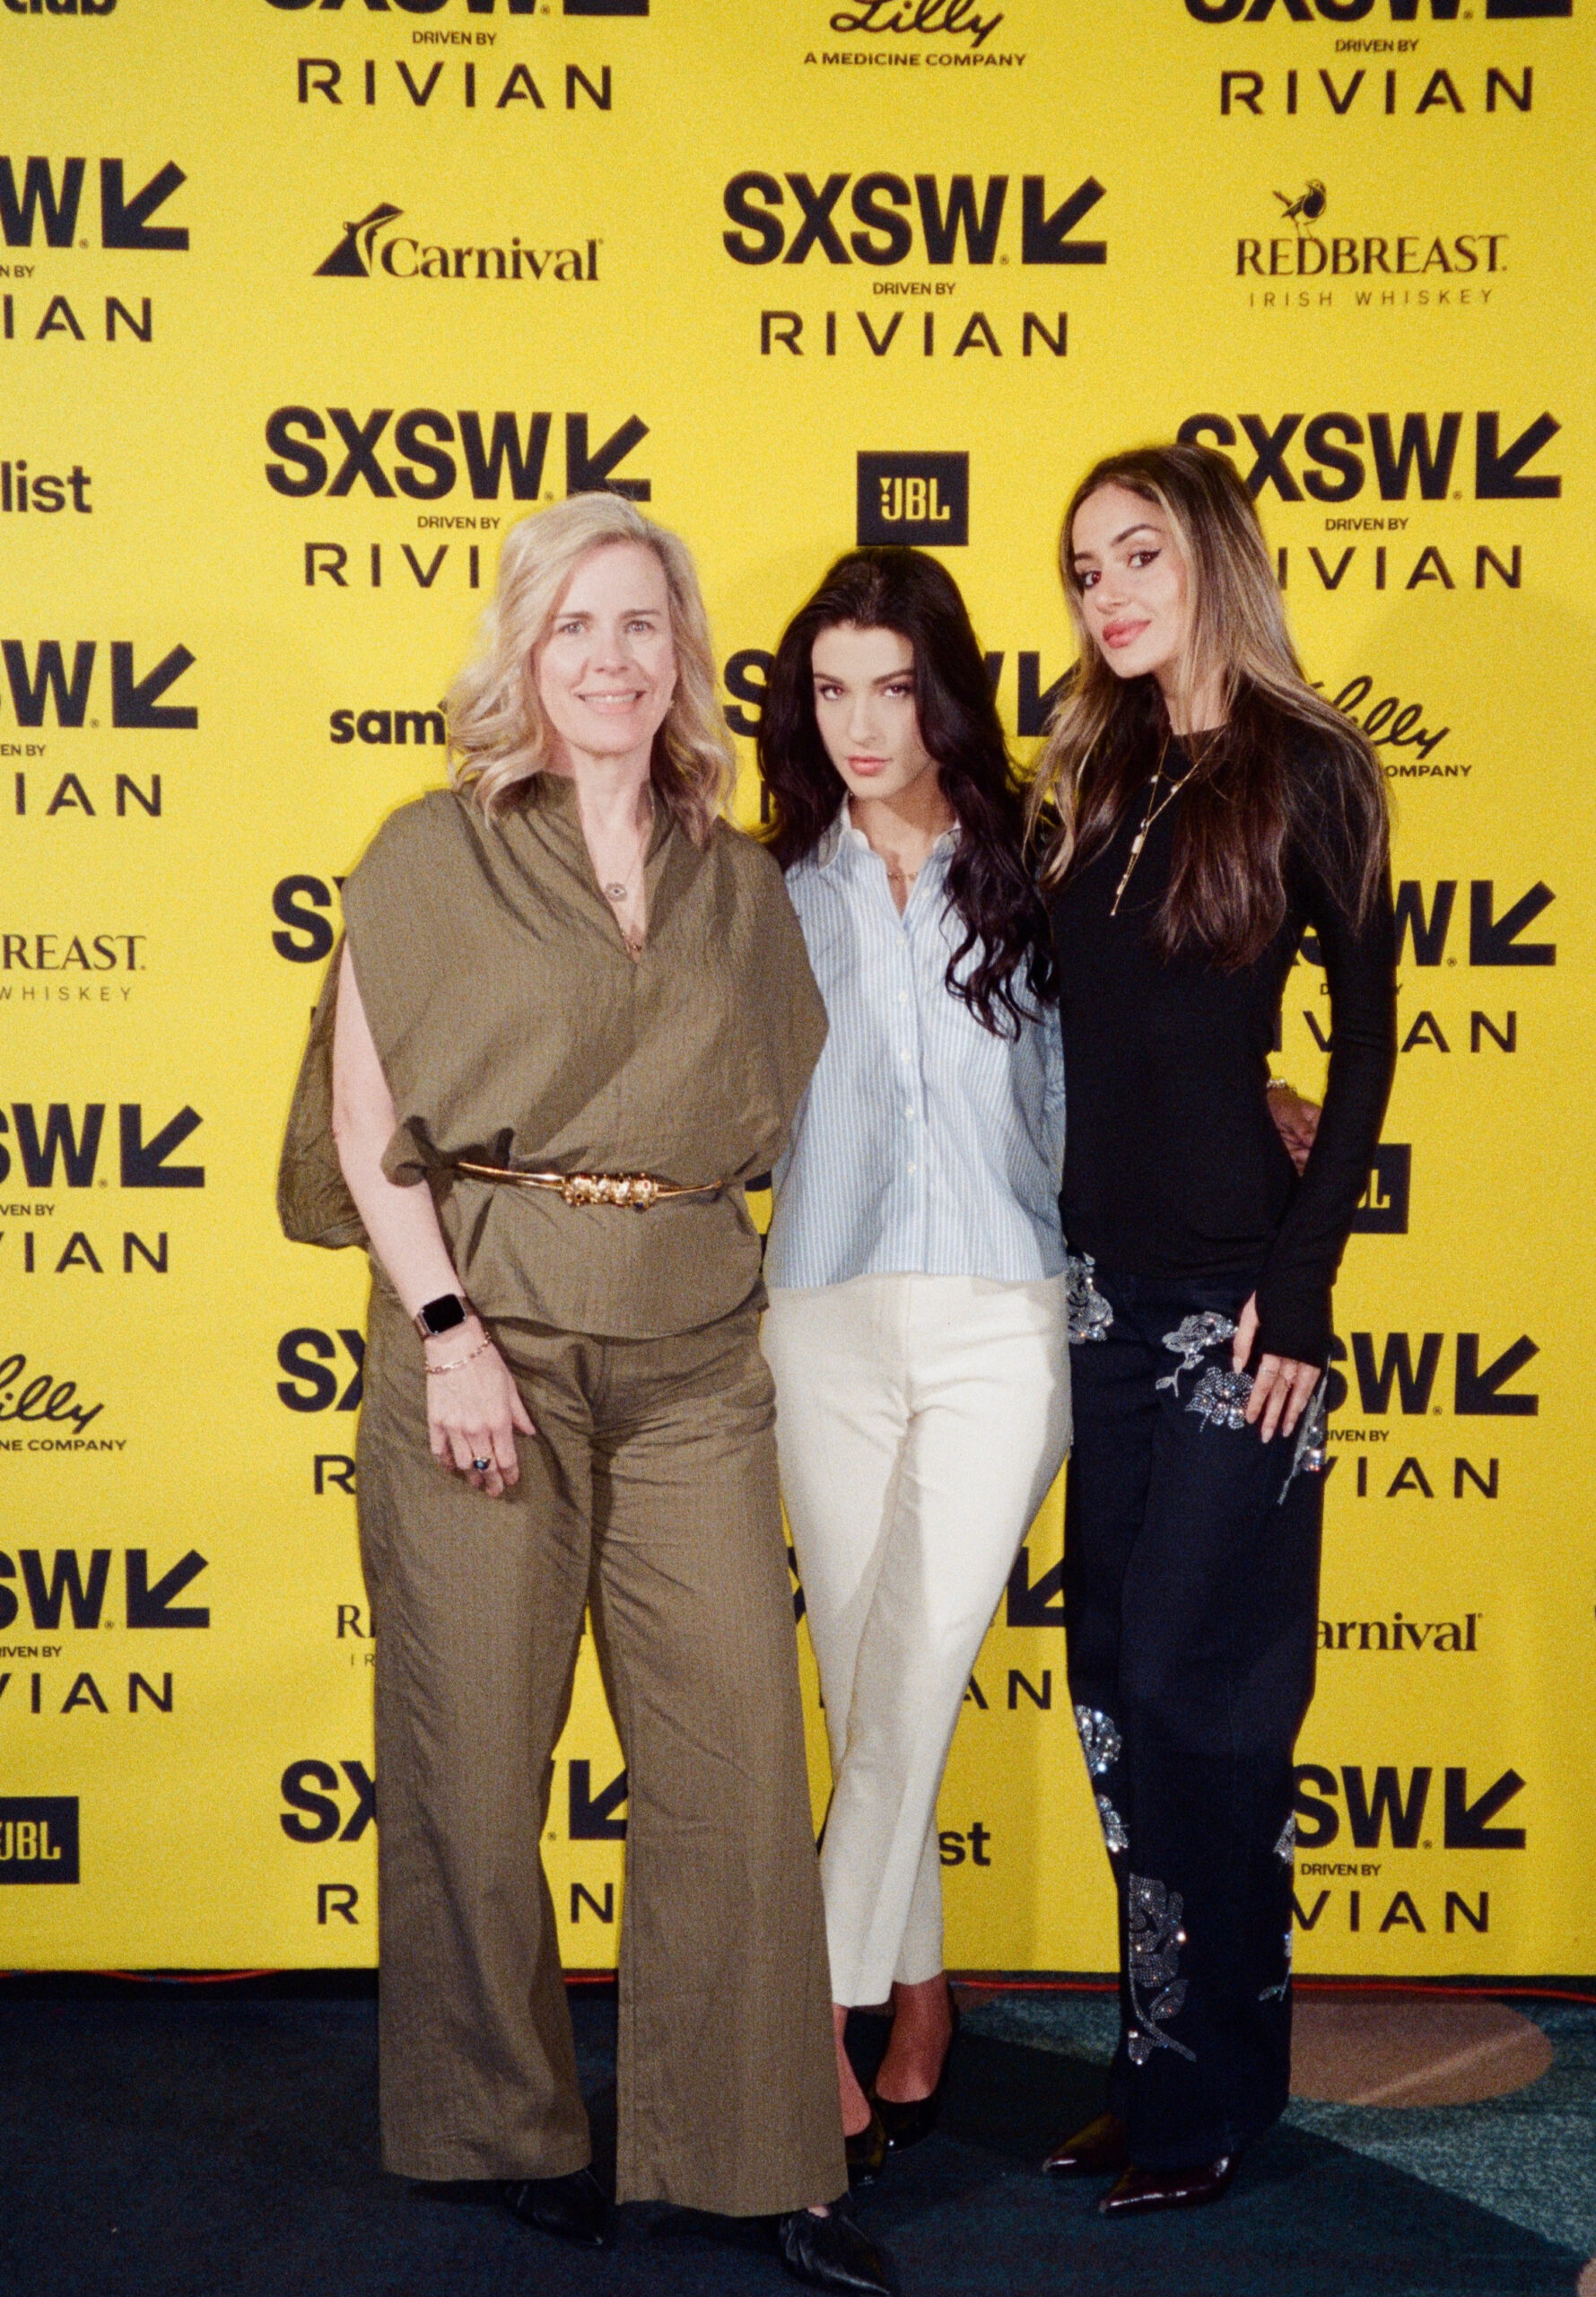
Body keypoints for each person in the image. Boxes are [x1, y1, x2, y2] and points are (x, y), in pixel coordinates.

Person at [276, 493, 893, 2296]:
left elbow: (789, 1119)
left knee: (729, 1761)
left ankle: (756, 2151)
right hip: (489, 1338)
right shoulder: (424, 855)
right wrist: (451, 1332)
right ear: (521, 652)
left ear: (681, 657)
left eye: (643, 626)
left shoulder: (735, 878)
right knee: (472, 1755)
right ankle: (507, 2122)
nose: (613, 658)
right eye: (577, 627)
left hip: (695, 1347)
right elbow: (363, 1123)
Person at [1030, 443, 1396, 2214]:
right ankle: (1153, 2061)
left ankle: (1218, 2089)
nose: (1106, 593)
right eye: (1084, 568)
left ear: (1214, 560)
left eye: (1138, 554)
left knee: (1203, 1696)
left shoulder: (1303, 767)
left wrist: (1306, 1284)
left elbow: (1372, 1035)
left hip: (1237, 1315)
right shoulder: (1091, 773)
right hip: (1095, 1301)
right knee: (1112, 1687)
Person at [755, 547, 1070, 2186]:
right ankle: (923, 1998)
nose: (862, 723)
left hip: (1004, 1314)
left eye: (893, 685)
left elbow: (1132, 1056)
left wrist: (1262, 1099)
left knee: (908, 1672)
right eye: (830, 689)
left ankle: (798, 2028)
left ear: (943, 688)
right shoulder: (767, 881)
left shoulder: (1040, 858)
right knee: (870, 1679)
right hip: (816, 1311)